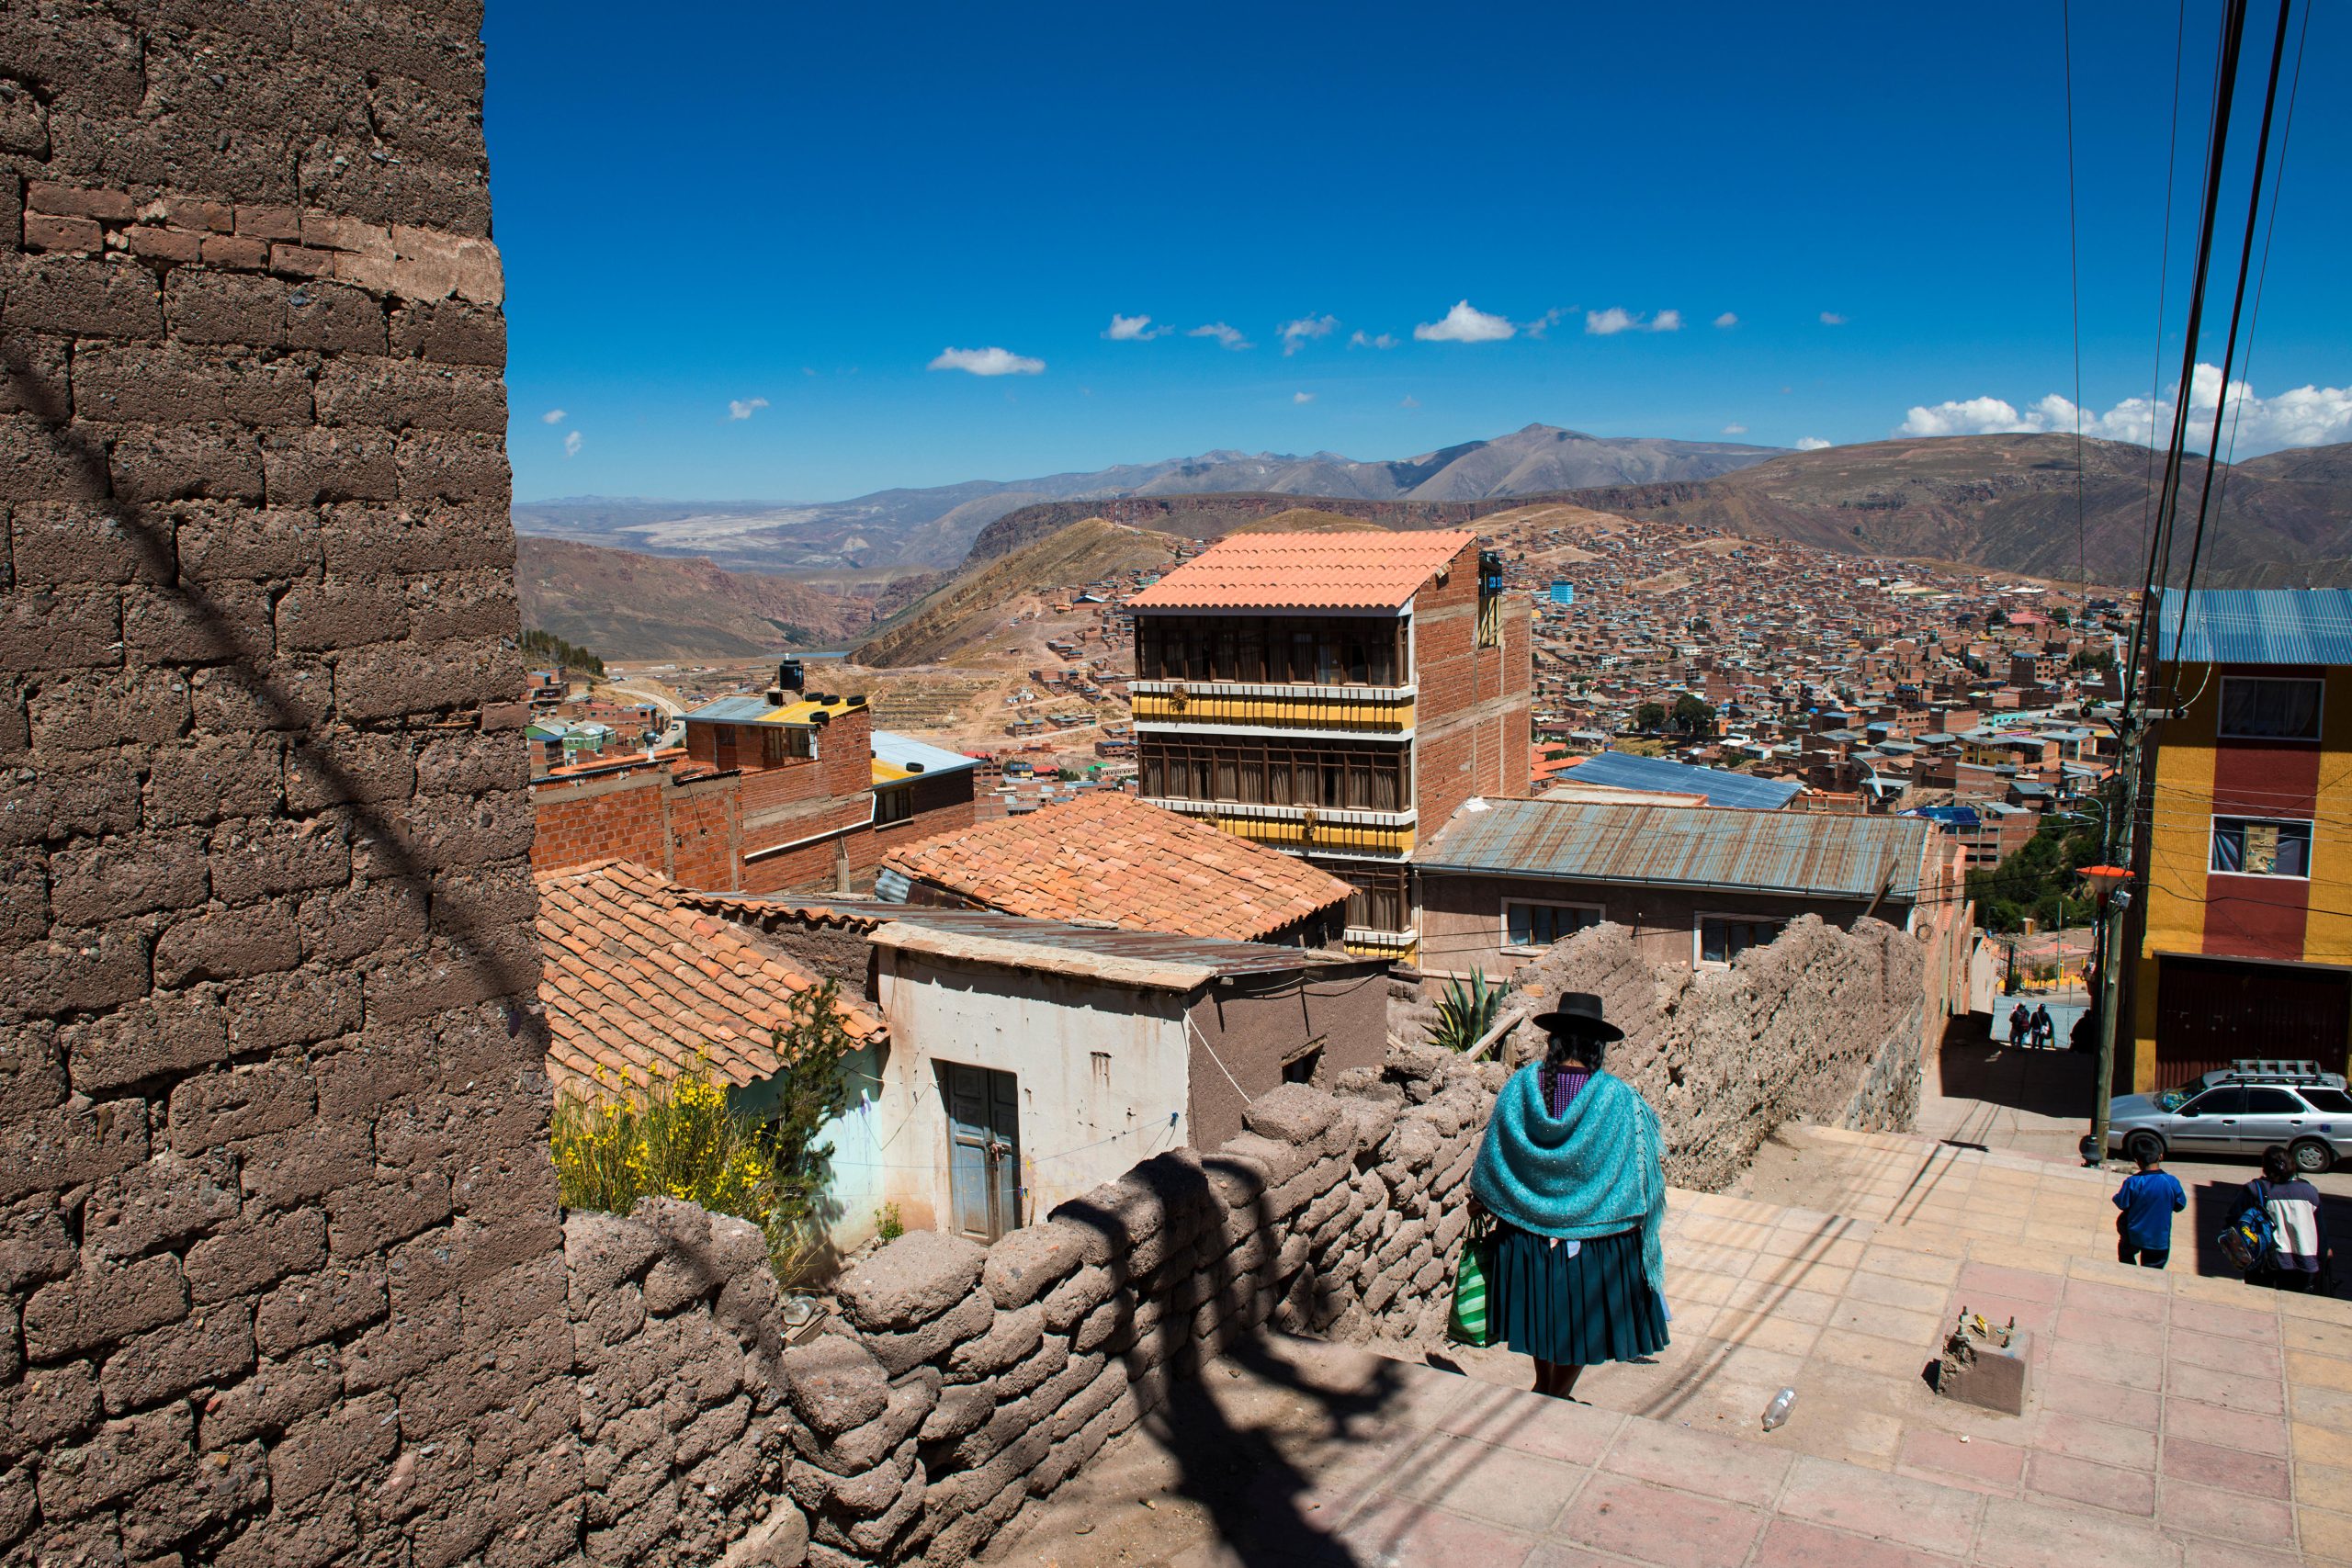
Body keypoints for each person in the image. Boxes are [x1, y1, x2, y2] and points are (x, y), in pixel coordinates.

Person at [1466, 991, 1668, 1402]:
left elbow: (1495, 1152)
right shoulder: (1618, 1097)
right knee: (1581, 1324)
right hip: (1595, 1235)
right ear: (1596, 1047)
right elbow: (1637, 1165)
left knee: (1538, 1314)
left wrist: (1485, 1196)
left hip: (1525, 1230)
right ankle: (1557, 1394)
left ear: (1553, 1042)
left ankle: (1543, 1384)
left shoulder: (1520, 1086)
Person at [2245, 1146, 2326, 1292]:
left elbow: (2233, 1220)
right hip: (2303, 1260)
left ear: (2265, 1167)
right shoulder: (2310, 1191)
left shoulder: (2255, 1190)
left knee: (2260, 1299)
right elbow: (2320, 1229)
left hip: (2265, 1260)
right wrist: (2322, 1254)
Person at [2111, 1144, 2186, 1268]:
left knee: (2126, 1258)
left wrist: (2116, 1197)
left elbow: (2122, 1203)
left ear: (2137, 1161)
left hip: (2132, 1234)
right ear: (2161, 1156)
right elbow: (2180, 1205)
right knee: (2153, 1268)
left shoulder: (2133, 1182)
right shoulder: (2171, 1182)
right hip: (2158, 1238)